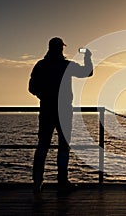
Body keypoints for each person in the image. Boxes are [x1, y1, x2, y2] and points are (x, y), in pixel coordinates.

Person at [28, 37, 93, 194]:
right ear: (61, 49)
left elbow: (31, 87)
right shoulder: (66, 66)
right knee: (63, 146)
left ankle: (37, 182)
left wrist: (43, 95)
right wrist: (87, 57)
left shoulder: (41, 65)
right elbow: (87, 72)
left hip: (46, 110)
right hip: (63, 111)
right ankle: (62, 181)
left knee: (43, 145)